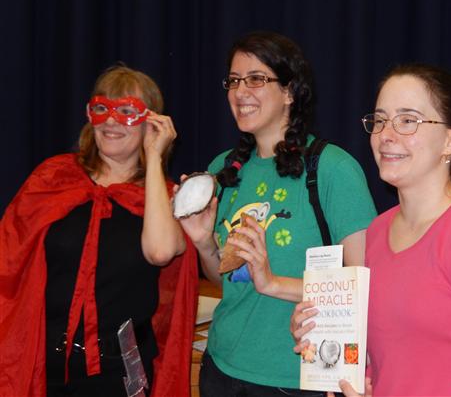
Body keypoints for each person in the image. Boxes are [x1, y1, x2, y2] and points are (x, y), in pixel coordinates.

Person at [292, 64, 451, 396]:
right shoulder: (377, 232)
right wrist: (323, 336)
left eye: (408, 121)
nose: (386, 134)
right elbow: (391, 357)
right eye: (380, 120)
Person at [179, 31, 377, 397]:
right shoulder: (223, 168)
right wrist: (204, 242)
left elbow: (364, 291)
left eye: (256, 79)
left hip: (295, 377)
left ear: (289, 92)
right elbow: (228, 281)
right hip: (221, 367)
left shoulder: (332, 169)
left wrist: (271, 281)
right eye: (234, 81)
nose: (240, 92)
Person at [0, 65, 198, 397]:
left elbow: (161, 251)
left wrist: (154, 156)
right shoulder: (54, 178)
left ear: (151, 123)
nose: (111, 121)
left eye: (127, 112)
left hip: (119, 373)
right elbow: (7, 263)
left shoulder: (164, 199)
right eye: (102, 108)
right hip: (43, 365)